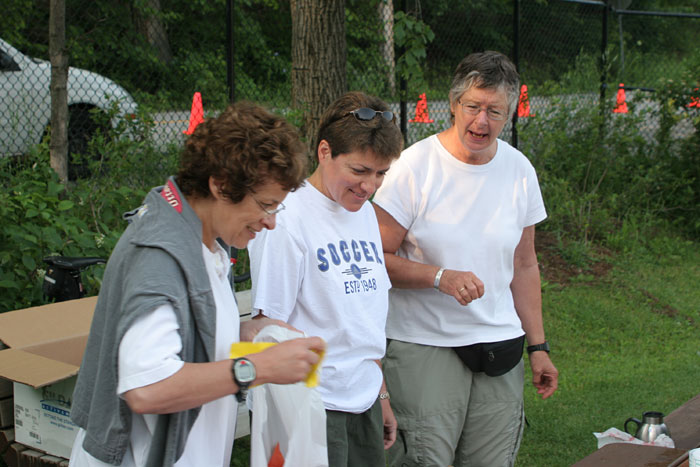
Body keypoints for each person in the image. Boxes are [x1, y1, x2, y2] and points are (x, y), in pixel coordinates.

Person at [68, 101, 325, 466]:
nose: (271, 223)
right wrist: (258, 369)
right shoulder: (160, 255)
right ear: (221, 186)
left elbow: (177, 333)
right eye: (267, 205)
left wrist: (239, 333)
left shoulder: (201, 240)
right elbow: (145, 387)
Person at [372, 51, 559, 467]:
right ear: (454, 103)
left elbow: (525, 265)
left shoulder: (519, 170)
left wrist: (539, 347)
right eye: (473, 106)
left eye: (494, 111)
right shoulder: (414, 167)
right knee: (425, 460)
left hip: (500, 346)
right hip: (425, 346)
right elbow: (374, 257)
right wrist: (438, 276)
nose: (481, 121)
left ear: (509, 113)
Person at [247, 91, 404, 467]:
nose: (370, 186)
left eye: (381, 174)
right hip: (311, 405)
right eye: (359, 171)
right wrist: (284, 424)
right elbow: (267, 330)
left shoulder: (363, 212)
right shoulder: (286, 218)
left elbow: (362, 319)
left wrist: (380, 394)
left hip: (362, 397)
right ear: (324, 152)